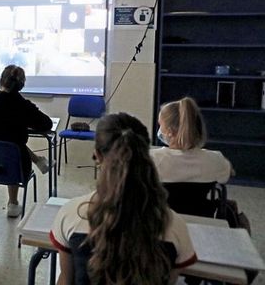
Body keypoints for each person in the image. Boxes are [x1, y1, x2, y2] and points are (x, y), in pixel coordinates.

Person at [50, 113, 197, 285]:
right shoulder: (172, 224)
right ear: (146, 154)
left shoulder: (71, 214)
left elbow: (66, 279)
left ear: (97, 155)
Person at [0, 64, 53, 218]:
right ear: (21, 85)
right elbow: (46, 124)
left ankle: (38, 161)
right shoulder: (23, 106)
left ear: (1, 80)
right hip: (15, 168)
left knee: (4, 140)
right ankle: (13, 203)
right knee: (13, 145)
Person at [151, 97, 232, 184]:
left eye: (161, 125)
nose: (159, 129)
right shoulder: (216, 160)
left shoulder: (152, 159)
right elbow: (228, 173)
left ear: (170, 132)